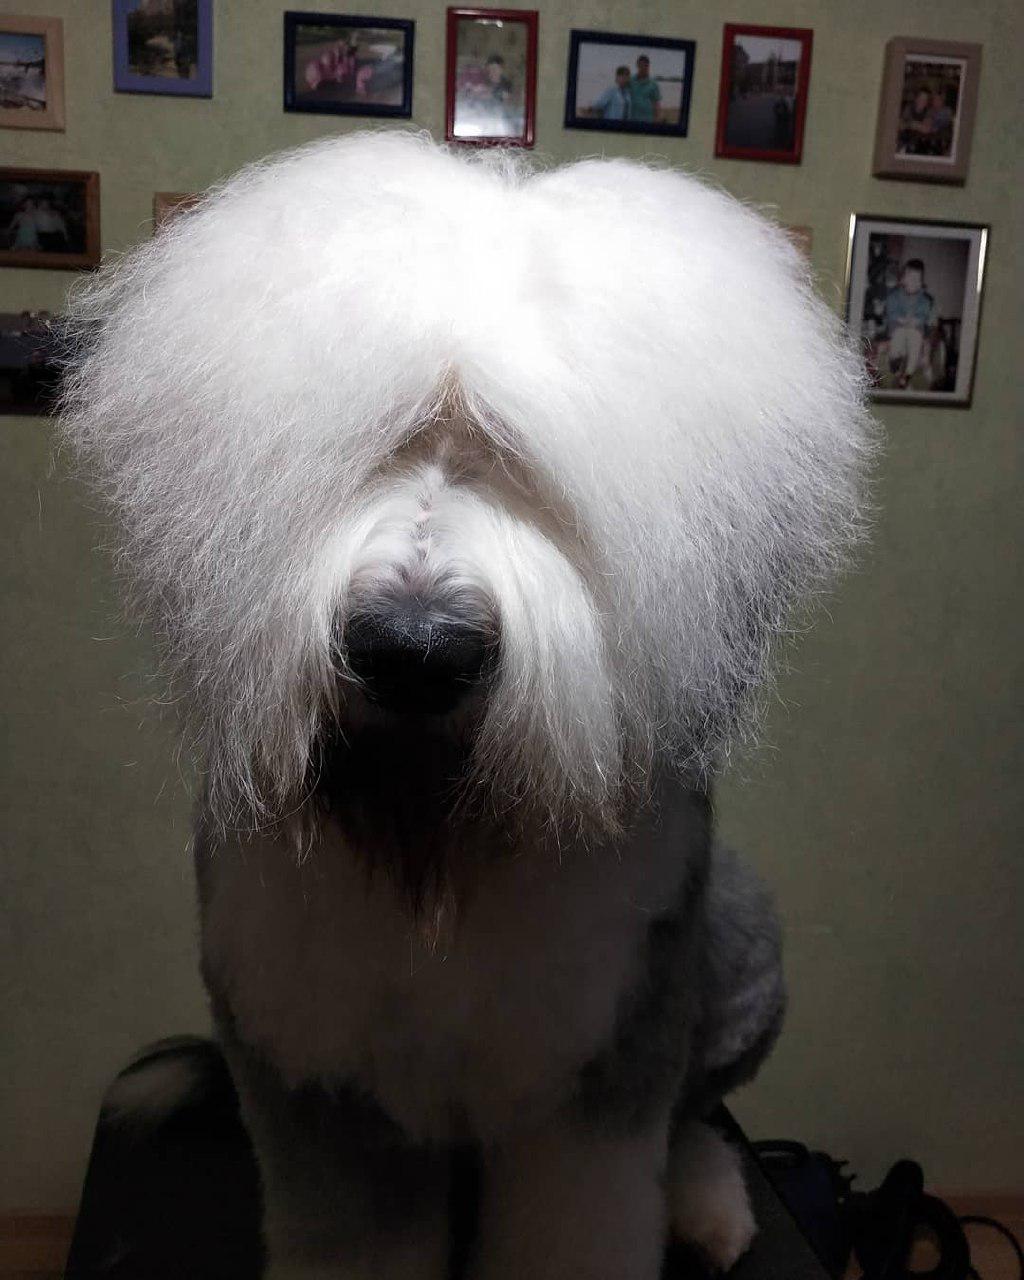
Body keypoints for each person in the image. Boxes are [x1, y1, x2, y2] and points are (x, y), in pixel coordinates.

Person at [885, 258, 935, 389]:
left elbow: (924, 314)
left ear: (921, 282)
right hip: (898, 327)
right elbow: (891, 312)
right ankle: (896, 365)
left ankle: (908, 374)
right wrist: (900, 319)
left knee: (915, 338)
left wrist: (916, 320)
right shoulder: (894, 296)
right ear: (902, 279)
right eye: (910, 278)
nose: (913, 282)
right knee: (899, 336)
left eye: (917, 279)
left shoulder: (924, 299)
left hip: (915, 329)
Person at [629, 54, 661, 124]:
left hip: (647, 120)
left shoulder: (653, 84)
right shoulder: (630, 81)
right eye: (641, 66)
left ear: (648, 66)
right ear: (637, 66)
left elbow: (656, 104)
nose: (643, 68)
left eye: (645, 66)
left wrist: (656, 120)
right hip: (631, 118)